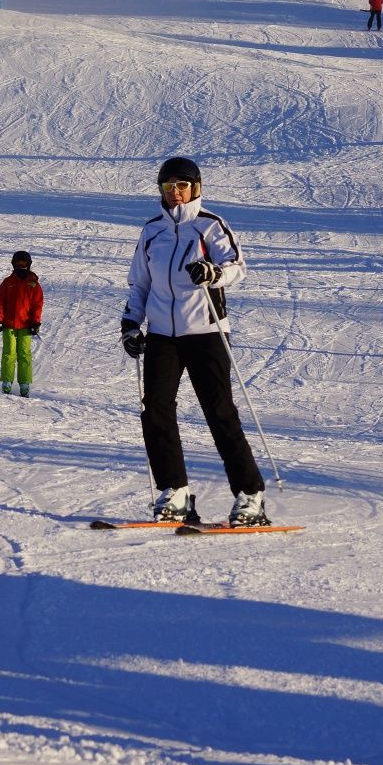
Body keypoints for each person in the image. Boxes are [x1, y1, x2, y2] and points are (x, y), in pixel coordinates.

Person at [120, 157, 269, 526]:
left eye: (182, 186)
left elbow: (237, 267)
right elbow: (141, 283)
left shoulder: (210, 226)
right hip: (161, 335)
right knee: (155, 409)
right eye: (168, 186)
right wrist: (130, 323)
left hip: (205, 331)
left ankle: (250, 494)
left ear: (195, 189)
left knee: (219, 412)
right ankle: (176, 491)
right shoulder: (152, 231)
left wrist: (213, 272)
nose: (175, 192)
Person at [0, 251, 42, 395]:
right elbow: (0, 302)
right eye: (18, 264)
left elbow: (37, 305)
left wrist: (35, 322)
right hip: (8, 324)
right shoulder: (7, 282)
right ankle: (7, 381)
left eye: (24, 264)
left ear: (28, 265)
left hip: (26, 326)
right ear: (14, 265)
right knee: (9, 353)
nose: (21, 266)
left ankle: (24, 383)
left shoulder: (33, 283)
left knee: (24, 354)